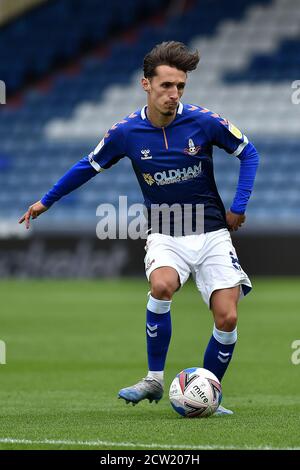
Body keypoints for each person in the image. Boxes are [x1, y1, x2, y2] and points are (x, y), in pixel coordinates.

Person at [19, 41, 259, 416]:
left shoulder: (204, 121)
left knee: (227, 317)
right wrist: (46, 200)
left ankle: (208, 394)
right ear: (145, 84)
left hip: (212, 233)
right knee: (162, 285)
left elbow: (249, 152)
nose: (174, 94)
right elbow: (88, 165)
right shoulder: (126, 132)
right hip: (165, 232)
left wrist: (239, 206)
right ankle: (153, 378)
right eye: (166, 86)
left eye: (180, 86)